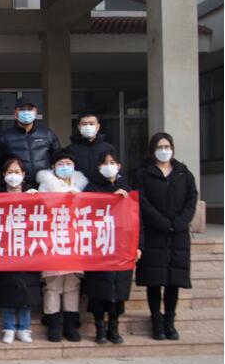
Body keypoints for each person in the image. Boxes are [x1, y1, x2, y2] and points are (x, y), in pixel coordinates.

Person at [133, 133, 198, 341]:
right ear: (152, 150)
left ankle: (169, 320)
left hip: (178, 235)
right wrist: (161, 222)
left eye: (167, 146)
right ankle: (156, 320)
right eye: (159, 147)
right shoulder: (143, 173)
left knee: (173, 281)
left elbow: (191, 199)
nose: (164, 150)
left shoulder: (183, 172)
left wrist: (180, 222)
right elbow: (141, 200)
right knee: (154, 280)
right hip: (154, 233)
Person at [85, 150, 141, 344]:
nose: (109, 166)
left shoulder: (127, 189)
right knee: (98, 289)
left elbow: (136, 220)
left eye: (112, 162)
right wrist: (108, 199)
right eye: (105, 162)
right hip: (99, 246)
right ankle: (99, 327)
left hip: (122, 247)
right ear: (99, 167)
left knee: (119, 289)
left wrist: (138, 245)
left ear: (119, 166)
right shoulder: (91, 188)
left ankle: (114, 327)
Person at [36, 149, 88, 342]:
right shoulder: (46, 185)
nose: (65, 167)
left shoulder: (82, 184)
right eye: (60, 164)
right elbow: (41, 210)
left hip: (75, 240)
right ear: (53, 166)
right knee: (53, 284)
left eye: (68, 164)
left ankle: (70, 324)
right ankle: (53, 323)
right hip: (53, 240)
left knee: (72, 284)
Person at [0, 158, 41, 344]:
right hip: (4, 248)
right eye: (10, 172)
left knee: (26, 288)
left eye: (17, 172)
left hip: (27, 248)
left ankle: (24, 327)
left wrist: (37, 199)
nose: (13, 176)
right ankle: (8, 327)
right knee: (7, 287)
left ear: (23, 175)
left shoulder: (33, 195)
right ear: (3, 175)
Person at [0, 98, 61, 186]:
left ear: (36, 112)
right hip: (17, 187)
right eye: (22, 109)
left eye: (29, 109)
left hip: (44, 186)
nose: (26, 112)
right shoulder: (4, 137)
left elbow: (58, 159)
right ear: (15, 113)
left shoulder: (47, 134)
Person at [66, 110, 117, 186]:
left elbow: (117, 172)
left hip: (103, 189)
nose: (88, 126)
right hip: (78, 190)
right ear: (79, 127)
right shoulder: (70, 149)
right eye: (84, 124)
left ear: (98, 126)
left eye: (91, 124)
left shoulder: (108, 148)